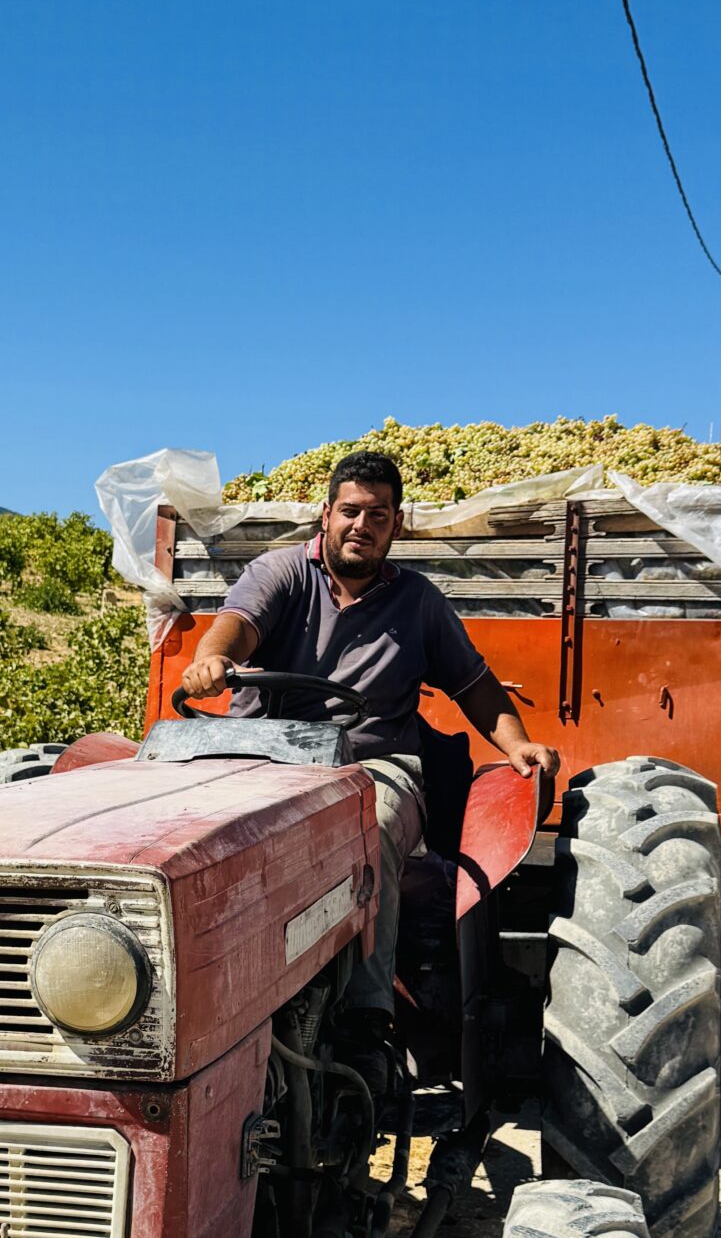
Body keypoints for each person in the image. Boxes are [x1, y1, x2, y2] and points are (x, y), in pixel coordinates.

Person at [177, 447, 558, 1059]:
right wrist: (214, 658)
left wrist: (518, 744)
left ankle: (365, 1022)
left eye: (378, 515)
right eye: (351, 511)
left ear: (395, 525)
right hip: (265, 757)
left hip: (374, 765)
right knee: (193, 835)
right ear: (326, 515)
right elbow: (238, 624)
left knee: (368, 824)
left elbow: (473, 684)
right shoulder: (281, 573)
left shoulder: (419, 602)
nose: (362, 525)